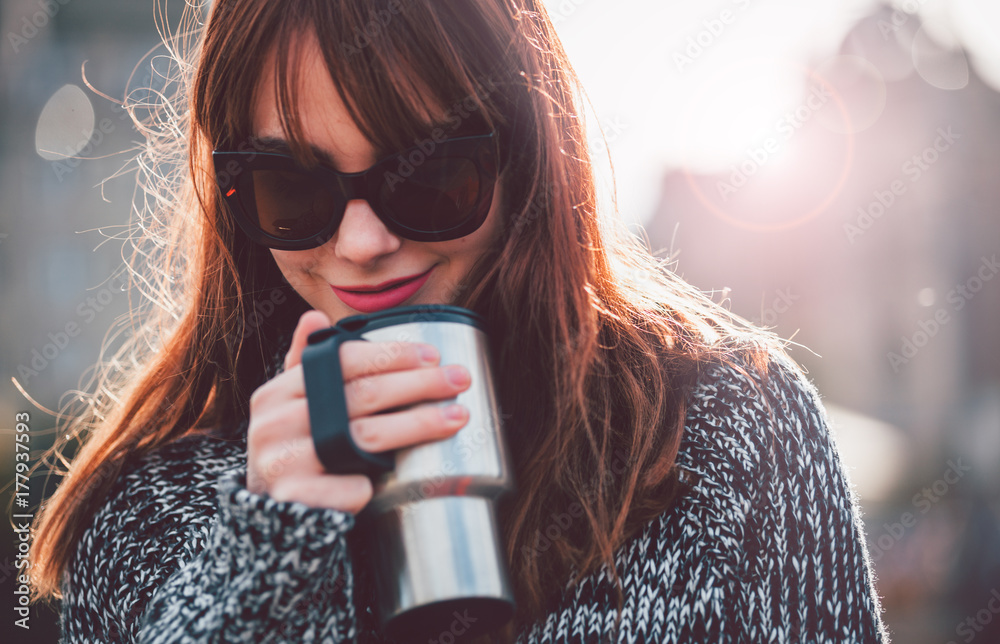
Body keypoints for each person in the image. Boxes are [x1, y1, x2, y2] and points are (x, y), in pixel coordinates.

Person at [29, 1, 890, 642]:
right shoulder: (142, 515)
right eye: (292, 188)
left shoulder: (730, 433)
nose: (363, 242)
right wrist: (263, 574)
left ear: (525, 154)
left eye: (428, 176)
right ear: (229, 194)